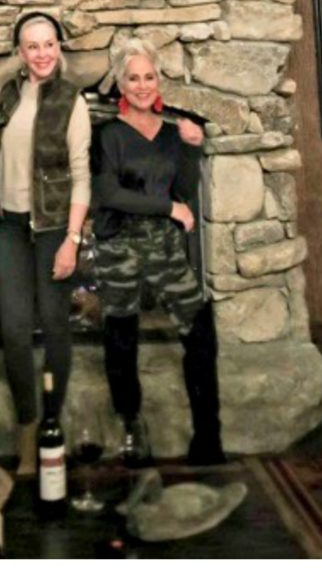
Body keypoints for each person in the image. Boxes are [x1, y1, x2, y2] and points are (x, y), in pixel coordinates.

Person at [92, 37, 226, 467]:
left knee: (201, 330)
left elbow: (185, 191)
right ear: (120, 83)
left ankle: (208, 436)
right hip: (119, 247)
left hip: (166, 248)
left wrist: (191, 148)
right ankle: (133, 430)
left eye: (149, 76)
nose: (142, 85)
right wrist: (168, 207)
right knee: (121, 335)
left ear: (158, 80)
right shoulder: (107, 134)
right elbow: (110, 194)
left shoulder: (172, 132)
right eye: (133, 78)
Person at [0, 11, 91, 476]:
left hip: (53, 229)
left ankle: (52, 425)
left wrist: (72, 239)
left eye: (49, 44)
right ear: (20, 52)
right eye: (32, 46)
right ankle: (28, 428)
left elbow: (82, 176)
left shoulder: (73, 100)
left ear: (59, 47)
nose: (42, 53)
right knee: (13, 330)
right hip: (10, 228)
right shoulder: (7, 95)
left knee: (55, 327)